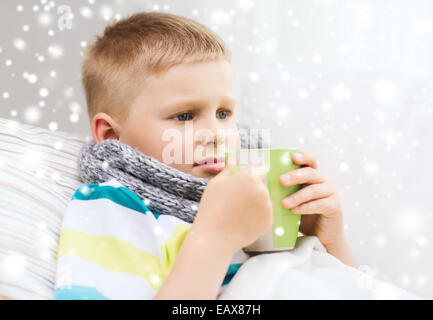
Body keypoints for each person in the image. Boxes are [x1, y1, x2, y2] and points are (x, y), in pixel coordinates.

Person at [54, 11, 356, 300]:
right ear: (111, 135)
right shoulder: (112, 207)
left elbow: (344, 288)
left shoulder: (256, 195)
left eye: (224, 113)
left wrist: (329, 242)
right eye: (184, 116)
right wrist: (215, 239)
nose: (216, 133)